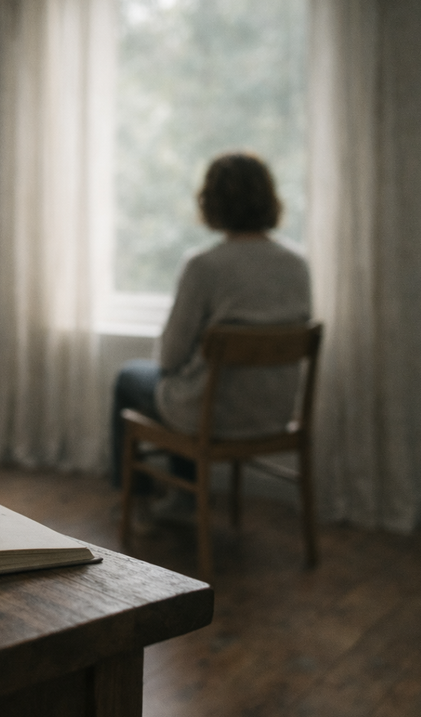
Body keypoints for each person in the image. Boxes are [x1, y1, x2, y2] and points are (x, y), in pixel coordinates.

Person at [110, 152, 312, 511]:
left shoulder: (205, 266)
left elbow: (170, 358)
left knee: (131, 377)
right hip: (274, 415)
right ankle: (183, 499)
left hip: (212, 416)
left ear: (211, 202)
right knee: (189, 385)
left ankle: (136, 497)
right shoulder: (298, 265)